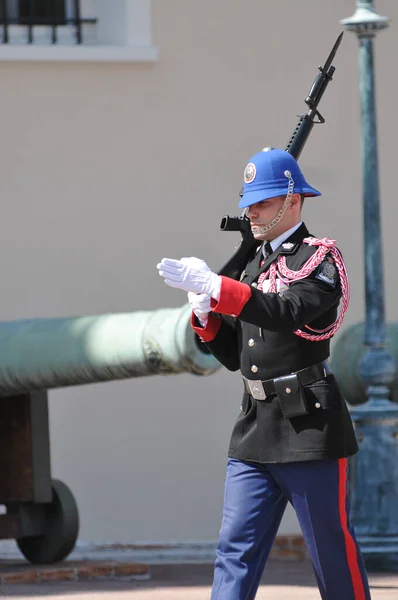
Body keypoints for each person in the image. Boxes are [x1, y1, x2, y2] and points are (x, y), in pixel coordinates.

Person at [157, 147, 371, 600]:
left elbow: (288, 309)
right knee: (234, 552)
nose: (251, 211)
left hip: (309, 426)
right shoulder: (251, 264)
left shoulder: (319, 259)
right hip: (255, 426)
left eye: (263, 202)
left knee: (330, 556)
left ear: (293, 202)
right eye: (249, 202)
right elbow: (236, 355)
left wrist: (221, 289)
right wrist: (205, 314)